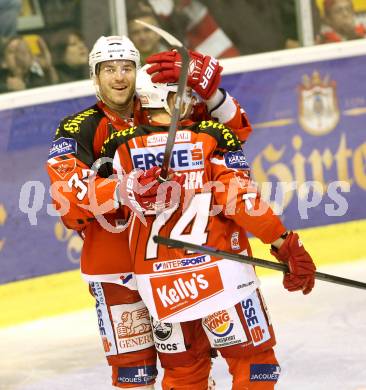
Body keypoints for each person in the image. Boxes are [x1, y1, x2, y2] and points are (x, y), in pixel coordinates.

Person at [46, 34, 254, 388]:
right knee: (134, 374)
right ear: (94, 77)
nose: (118, 77)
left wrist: (214, 95)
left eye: (126, 67)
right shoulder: (78, 127)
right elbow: (66, 195)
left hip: (172, 268)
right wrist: (124, 190)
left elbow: (234, 133)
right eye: (108, 69)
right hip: (117, 270)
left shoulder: (166, 109)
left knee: (189, 364)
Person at [99, 65, 317, 389]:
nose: (190, 99)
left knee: (184, 374)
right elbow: (240, 198)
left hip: (162, 287)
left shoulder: (117, 148)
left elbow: (97, 206)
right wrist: (284, 242)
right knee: (254, 365)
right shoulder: (211, 135)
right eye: (182, 93)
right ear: (165, 97)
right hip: (222, 278)